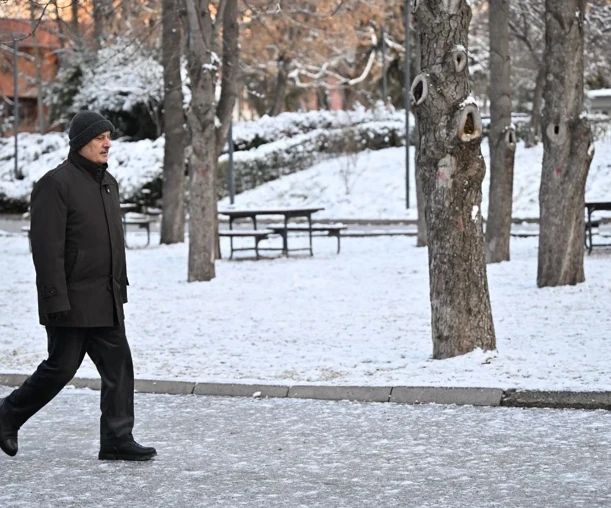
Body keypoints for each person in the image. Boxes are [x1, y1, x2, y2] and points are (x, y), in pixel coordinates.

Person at [0, 111, 156, 461]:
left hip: (105, 298)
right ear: (80, 141)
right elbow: (46, 247)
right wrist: (54, 297)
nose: (107, 143)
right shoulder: (56, 183)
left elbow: (110, 241)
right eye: (100, 137)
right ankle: (7, 414)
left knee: (119, 366)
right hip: (71, 300)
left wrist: (120, 287)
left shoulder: (107, 182)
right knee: (60, 368)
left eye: (108, 137)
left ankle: (117, 438)